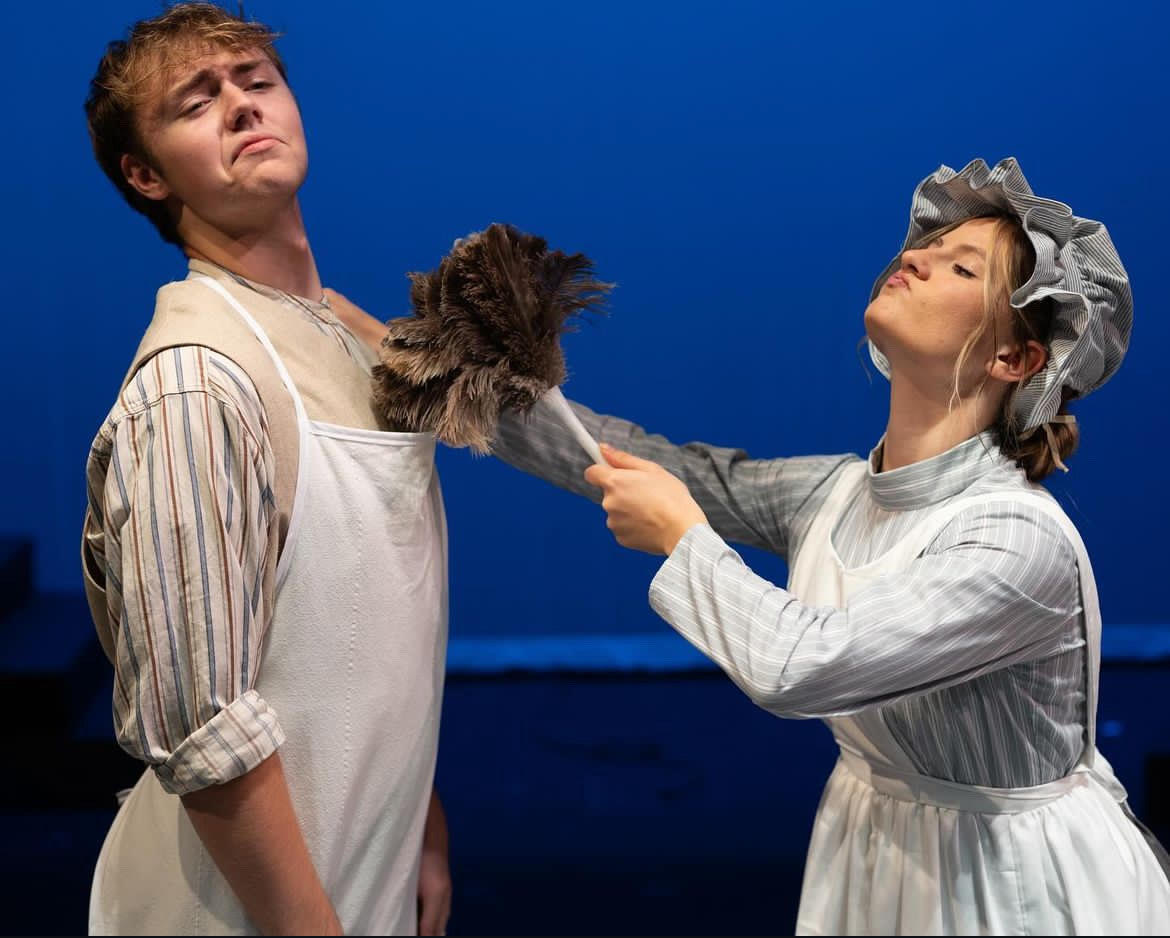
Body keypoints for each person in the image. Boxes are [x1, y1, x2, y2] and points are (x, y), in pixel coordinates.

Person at [344, 157, 1170, 934]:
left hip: (1014, 887)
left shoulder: (1015, 543)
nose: (917, 259)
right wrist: (421, 360)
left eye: (962, 268)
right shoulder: (836, 491)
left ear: (1015, 356)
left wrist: (682, 538)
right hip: (880, 855)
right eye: (928, 246)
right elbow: (641, 461)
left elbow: (803, 666)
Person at [80, 4, 452, 934]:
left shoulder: (341, 334)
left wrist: (420, 818)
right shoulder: (196, 385)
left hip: (362, 866)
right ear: (145, 173)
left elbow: (365, 629)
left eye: (256, 81)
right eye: (195, 102)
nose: (243, 107)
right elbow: (201, 725)